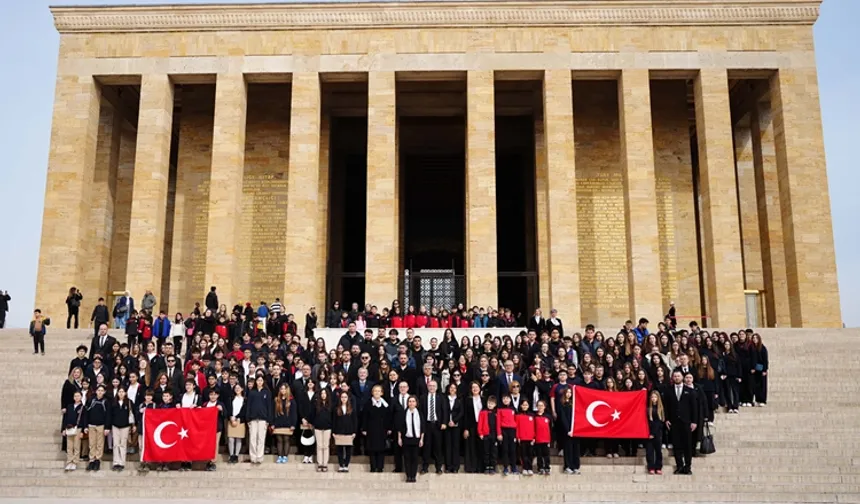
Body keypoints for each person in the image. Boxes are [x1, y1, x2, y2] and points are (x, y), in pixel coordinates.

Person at [665, 370, 698, 475]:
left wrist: (694, 421)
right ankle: (679, 466)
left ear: (682, 377)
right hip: (674, 422)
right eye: (675, 376)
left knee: (687, 445)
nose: (676, 378)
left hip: (686, 422)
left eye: (678, 376)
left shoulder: (690, 391)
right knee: (677, 445)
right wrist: (666, 419)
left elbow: (694, 407)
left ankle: (687, 466)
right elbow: (666, 406)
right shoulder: (669, 390)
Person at [362, 384, 391, 473]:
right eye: (375, 391)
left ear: (382, 393)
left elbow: (388, 418)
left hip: (382, 429)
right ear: (372, 393)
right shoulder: (368, 404)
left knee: (381, 449)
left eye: (379, 391)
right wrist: (364, 429)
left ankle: (380, 467)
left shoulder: (385, 404)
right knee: (372, 449)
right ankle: (373, 467)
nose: (377, 393)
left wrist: (389, 428)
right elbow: (364, 417)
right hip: (371, 429)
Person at [247, 375, 272, 465]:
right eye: (258, 380)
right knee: (253, 438)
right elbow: (248, 406)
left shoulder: (267, 392)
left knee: (261, 439)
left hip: (263, 419)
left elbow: (269, 407)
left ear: (263, 382)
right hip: (253, 419)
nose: (259, 382)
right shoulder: (252, 392)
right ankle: (253, 457)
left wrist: (268, 420)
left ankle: (259, 457)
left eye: (261, 380)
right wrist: (248, 418)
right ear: (256, 382)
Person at [398, 395, 425, 483]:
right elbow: (400, 427)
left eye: (413, 401)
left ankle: (413, 476)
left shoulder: (419, 413)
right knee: (407, 458)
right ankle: (408, 476)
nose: (411, 403)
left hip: (416, 439)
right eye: (410, 401)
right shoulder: (404, 413)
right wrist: (399, 438)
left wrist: (421, 439)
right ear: (407, 403)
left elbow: (422, 427)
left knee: (415, 458)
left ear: (416, 403)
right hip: (406, 439)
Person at [85, 384, 110, 472]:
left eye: (102, 391)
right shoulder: (91, 400)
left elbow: (108, 415)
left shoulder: (106, 402)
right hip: (91, 425)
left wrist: (107, 427)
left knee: (100, 444)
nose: (100, 392)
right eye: (98, 390)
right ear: (96, 391)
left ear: (104, 392)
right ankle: (91, 460)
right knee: (92, 443)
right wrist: (86, 425)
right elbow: (86, 413)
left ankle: (97, 460)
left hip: (101, 425)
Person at [555, 387, 580, 474]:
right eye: (567, 392)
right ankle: (568, 466)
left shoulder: (573, 403)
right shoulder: (562, 404)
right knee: (568, 449)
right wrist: (568, 430)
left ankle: (575, 466)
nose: (569, 394)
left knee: (575, 449)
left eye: (570, 392)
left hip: (575, 431)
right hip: (567, 431)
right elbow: (563, 418)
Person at [110, 386, 134, 472]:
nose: (121, 393)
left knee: (123, 444)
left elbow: (132, 414)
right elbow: (110, 414)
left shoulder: (129, 402)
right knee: (116, 444)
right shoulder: (113, 402)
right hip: (115, 426)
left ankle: (122, 463)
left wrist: (133, 425)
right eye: (119, 392)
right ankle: (116, 462)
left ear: (125, 393)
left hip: (125, 426)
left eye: (122, 392)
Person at [333, 390, 358, 472]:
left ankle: (346, 465)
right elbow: (334, 421)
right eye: (342, 397)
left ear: (348, 398)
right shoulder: (336, 409)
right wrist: (334, 432)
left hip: (349, 431)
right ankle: (341, 465)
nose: (344, 399)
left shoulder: (352, 409)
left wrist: (354, 432)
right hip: (339, 431)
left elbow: (355, 421)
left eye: (345, 397)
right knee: (339, 449)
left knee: (348, 450)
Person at [62, 390, 87, 471]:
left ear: (81, 397)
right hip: (69, 428)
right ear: (73, 397)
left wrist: (83, 431)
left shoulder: (83, 407)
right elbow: (65, 418)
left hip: (78, 428)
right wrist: (63, 429)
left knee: (76, 446)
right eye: (75, 396)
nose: (77, 397)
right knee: (69, 446)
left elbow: (84, 419)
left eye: (78, 396)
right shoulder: (69, 406)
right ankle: (69, 461)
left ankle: (75, 462)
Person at [309, 388, 333, 472]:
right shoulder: (316, 404)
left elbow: (333, 416)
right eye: (322, 393)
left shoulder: (331, 404)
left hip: (328, 428)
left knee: (326, 446)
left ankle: (325, 464)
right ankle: (320, 463)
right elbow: (312, 415)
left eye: (325, 393)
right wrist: (313, 423)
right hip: (318, 428)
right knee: (319, 446)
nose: (323, 395)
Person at [442, 382, 463, 473]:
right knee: (447, 446)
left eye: (454, 388)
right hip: (446, 425)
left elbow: (461, 412)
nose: (452, 389)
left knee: (455, 446)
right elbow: (443, 411)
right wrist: (446, 422)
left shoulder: (459, 399)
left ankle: (455, 467)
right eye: (451, 388)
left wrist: (454, 421)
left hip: (456, 425)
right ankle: (448, 466)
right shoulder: (444, 399)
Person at [463, 381, 483, 473]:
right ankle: (471, 467)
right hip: (471, 425)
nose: (475, 389)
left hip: (481, 425)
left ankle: (480, 467)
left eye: (476, 387)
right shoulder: (468, 400)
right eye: (473, 387)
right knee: (471, 446)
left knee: (480, 446)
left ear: (479, 388)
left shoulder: (483, 399)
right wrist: (466, 428)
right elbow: (466, 415)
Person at [203, 388, 225, 471]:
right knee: (207, 444)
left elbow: (225, 415)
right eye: (211, 394)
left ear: (218, 395)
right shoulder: (205, 404)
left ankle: (213, 461)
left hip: (217, 428)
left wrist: (221, 410)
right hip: (206, 428)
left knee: (215, 444)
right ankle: (207, 460)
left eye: (215, 394)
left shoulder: (220, 404)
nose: (213, 396)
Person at [497, 394, 518, 475]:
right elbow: (498, 422)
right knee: (505, 449)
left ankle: (513, 467)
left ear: (510, 399)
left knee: (513, 449)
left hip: (512, 431)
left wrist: (516, 435)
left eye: (507, 398)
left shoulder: (513, 409)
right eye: (504, 398)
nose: (505, 400)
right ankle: (505, 467)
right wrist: (499, 433)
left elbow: (516, 422)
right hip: (504, 431)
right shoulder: (500, 409)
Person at [477, 395, 499, 474]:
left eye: (492, 403)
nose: (490, 405)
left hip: (494, 435)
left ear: (495, 405)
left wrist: (498, 434)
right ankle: (486, 466)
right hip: (486, 435)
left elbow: (498, 425)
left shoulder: (497, 413)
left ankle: (492, 466)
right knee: (486, 451)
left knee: (493, 451)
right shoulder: (483, 412)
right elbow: (480, 423)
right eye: (489, 403)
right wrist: (480, 433)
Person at [646, 390, 665, 475]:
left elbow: (660, 422)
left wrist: (653, 433)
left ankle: (658, 467)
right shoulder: (648, 409)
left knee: (658, 451)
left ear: (658, 398)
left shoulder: (660, 409)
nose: (653, 398)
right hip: (648, 432)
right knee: (649, 451)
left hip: (657, 433)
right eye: (652, 397)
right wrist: (650, 433)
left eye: (655, 397)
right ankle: (651, 467)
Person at [226, 383, 246, 464]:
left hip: (240, 420)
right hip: (231, 419)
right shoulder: (230, 398)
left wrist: (237, 417)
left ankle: (236, 455)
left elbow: (244, 410)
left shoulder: (245, 399)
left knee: (238, 438)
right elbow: (228, 409)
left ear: (242, 389)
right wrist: (231, 417)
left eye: (239, 388)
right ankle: (231, 455)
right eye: (236, 388)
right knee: (230, 438)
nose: (237, 389)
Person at [533, 400, 552, 475]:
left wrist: (550, 439)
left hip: (546, 439)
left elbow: (550, 428)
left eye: (542, 405)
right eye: (539, 405)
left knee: (546, 455)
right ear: (537, 407)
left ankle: (547, 467)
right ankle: (540, 468)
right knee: (539, 455)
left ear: (544, 407)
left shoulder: (548, 416)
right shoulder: (534, 416)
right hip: (538, 439)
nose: (540, 407)